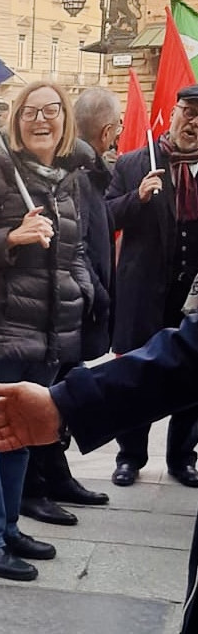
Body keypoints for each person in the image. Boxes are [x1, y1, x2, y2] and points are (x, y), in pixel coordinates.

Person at [0, 80, 93, 582]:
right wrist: (10, 237)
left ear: (65, 120)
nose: (40, 119)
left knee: (21, 434)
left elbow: (74, 251)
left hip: (48, 333)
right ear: (15, 121)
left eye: (51, 110)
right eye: (30, 111)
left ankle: (7, 527)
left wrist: (82, 290)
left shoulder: (68, 182)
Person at [0, 313, 198, 634]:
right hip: (4, 329)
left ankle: (6, 528)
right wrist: (69, 403)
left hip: (47, 330)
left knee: (13, 441)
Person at [18, 87, 120, 527]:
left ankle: (55, 476)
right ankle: (30, 489)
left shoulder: (84, 171)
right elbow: (71, 245)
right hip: (53, 308)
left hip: (75, 302)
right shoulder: (66, 172)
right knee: (39, 394)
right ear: (107, 131)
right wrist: (90, 291)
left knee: (56, 393)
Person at [107, 84, 198, 489]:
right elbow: (105, 215)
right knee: (135, 376)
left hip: (192, 297)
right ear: (173, 114)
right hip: (143, 293)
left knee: (193, 379)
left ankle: (182, 458)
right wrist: (138, 197)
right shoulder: (134, 162)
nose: (193, 123)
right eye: (188, 112)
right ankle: (130, 456)